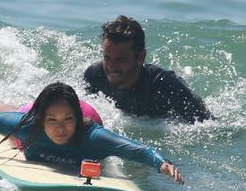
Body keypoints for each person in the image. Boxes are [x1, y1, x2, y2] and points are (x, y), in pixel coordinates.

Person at [0, 82, 184, 185]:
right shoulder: (27, 128)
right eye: (52, 121)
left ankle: (64, 113)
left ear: (75, 119)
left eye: (67, 120)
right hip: (34, 116)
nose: (60, 128)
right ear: (42, 119)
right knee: (5, 111)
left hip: (87, 115)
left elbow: (137, 150)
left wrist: (162, 164)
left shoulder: (92, 138)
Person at [84, 15, 212, 123]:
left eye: (120, 60)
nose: (111, 67)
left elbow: (209, 125)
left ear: (141, 57)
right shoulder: (94, 76)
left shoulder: (168, 87)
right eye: (107, 58)